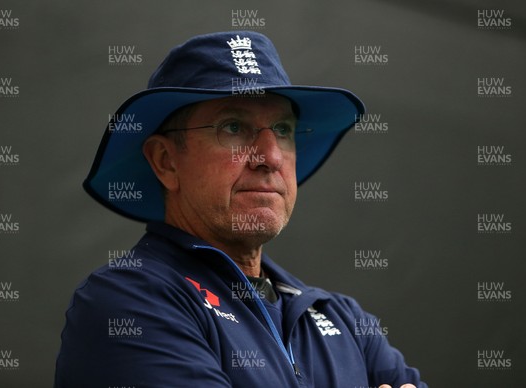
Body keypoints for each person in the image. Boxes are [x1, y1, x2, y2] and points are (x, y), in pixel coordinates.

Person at [55, 31, 426, 388]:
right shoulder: (127, 302)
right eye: (234, 127)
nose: (270, 156)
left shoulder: (344, 319)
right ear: (166, 161)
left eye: (283, 129)